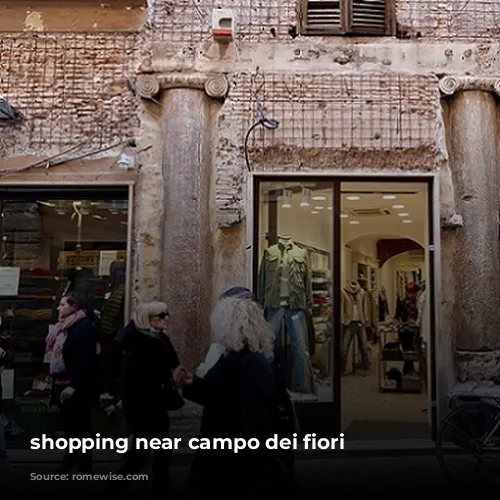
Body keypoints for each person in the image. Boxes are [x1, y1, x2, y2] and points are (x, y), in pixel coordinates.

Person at [177, 286, 294, 498]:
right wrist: (190, 384)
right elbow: (219, 395)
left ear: (229, 322)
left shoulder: (251, 362)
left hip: (235, 463)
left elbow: (256, 419)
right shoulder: (233, 355)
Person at [110, 301, 185, 496]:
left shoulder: (158, 338)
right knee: (142, 455)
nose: (166, 319)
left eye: (167, 314)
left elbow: (173, 362)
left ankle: (159, 485)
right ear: (148, 319)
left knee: (159, 450)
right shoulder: (138, 344)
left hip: (154, 403)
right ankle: (118, 485)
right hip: (143, 406)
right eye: (161, 316)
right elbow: (132, 379)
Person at [46, 292, 100, 479]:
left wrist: (74, 385)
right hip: (63, 382)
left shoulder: (83, 328)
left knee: (80, 428)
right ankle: (68, 463)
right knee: (70, 428)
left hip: (77, 386)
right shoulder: (64, 328)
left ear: (73, 308)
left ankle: (82, 465)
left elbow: (85, 360)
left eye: (63, 305)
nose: (59, 308)